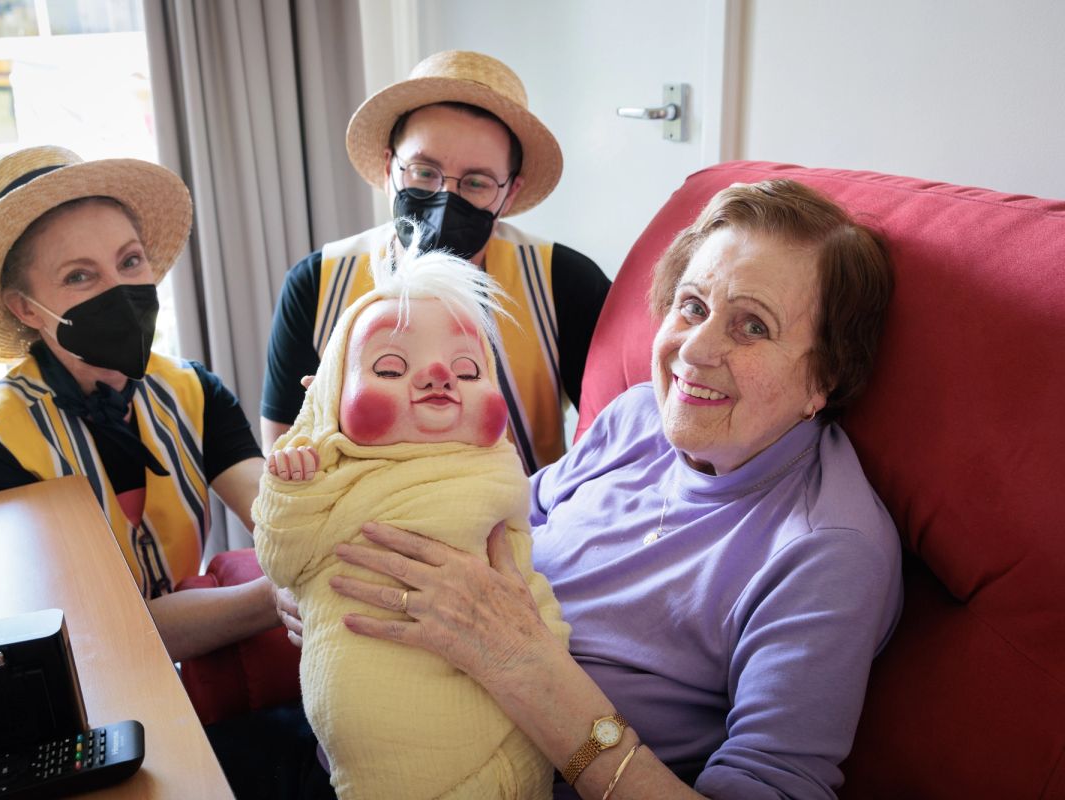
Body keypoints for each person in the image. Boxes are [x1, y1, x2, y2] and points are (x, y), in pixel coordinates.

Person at [319, 180, 904, 799]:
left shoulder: (826, 551)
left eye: (752, 327)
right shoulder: (639, 416)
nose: (695, 352)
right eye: (693, 306)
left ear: (825, 376)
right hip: (394, 718)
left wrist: (520, 664)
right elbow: (507, 515)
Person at [0, 145, 279, 663]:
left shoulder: (193, 391)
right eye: (79, 275)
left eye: (130, 261)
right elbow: (89, 632)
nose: (120, 290)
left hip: (199, 673)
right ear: (24, 307)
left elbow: (279, 517)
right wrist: (277, 599)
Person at [256, 239, 569, 799]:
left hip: (506, 703)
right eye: (391, 366)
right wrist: (289, 488)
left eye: (469, 370)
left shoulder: (493, 472)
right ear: (332, 397)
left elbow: (524, 574)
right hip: (369, 727)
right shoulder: (327, 467)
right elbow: (281, 560)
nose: (436, 376)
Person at [260, 50, 611, 474]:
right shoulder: (317, 283)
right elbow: (282, 447)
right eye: (423, 172)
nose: (446, 198)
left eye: (477, 182)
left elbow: (612, 436)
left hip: (526, 526)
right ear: (390, 166)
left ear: (510, 193)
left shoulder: (564, 282)